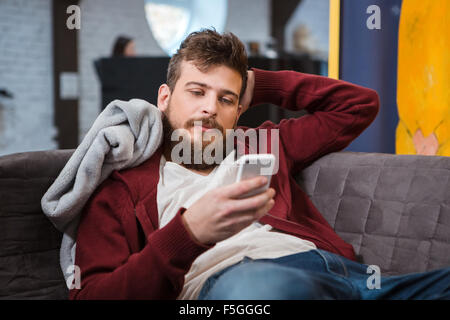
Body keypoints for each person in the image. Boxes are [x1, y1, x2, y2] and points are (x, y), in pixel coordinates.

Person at [70, 29, 450, 300]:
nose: (209, 108)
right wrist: (188, 233)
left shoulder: (263, 144)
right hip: (239, 286)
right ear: (165, 98)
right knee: (266, 290)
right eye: (197, 91)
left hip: (345, 278)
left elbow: (359, 106)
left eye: (226, 98)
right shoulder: (122, 187)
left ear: (239, 108)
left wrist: (262, 83)